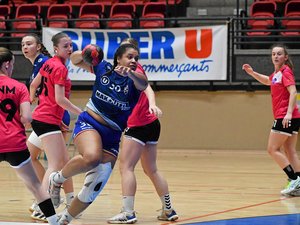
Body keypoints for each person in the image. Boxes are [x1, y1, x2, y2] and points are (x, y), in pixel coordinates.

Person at [48, 43, 148, 225]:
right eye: (130, 57)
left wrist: (130, 73)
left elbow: (144, 83)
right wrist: (85, 53)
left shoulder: (135, 80)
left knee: (94, 187)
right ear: (118, 58)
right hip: (90, 122)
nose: (134, 60)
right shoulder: (104, 68)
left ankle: (64, 220)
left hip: (113, 134)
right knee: (92, 157)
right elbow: (74, 60)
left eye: (136, 58)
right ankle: (57, 179)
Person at [108, 38, 178, 224]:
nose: (132, 58)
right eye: (127, 54)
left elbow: (146, 87)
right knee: (151, 169)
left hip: (139, 124)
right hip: (151, 124)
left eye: (134, 55)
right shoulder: (119, 72)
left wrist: (153, 104)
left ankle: (128, 212)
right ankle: (168, 210)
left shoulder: (135, 70)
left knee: (126, 167)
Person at [0, 47, 59, 225]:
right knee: (35, 186)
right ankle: (54, 221)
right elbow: (27, 117)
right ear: (7, 64)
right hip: (14, 144)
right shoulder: (19, 87)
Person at [21, 33, 76, 222]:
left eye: (71, 46)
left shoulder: (46, 62)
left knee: (61, 162)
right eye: (66, 46)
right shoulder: (58, 66)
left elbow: (34, 85)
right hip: (47, 118)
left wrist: (32, 103)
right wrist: (82, 113)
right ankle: (43, 205)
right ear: (55, 48)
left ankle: (68, 201)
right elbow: (59, 99)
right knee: (56, 163)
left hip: (48, 117)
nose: (70, 49)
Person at [243, 44, 300, 196]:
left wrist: (287, 113)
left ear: (285, 57)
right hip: (294, 116)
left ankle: (293, 178)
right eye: (274, 54)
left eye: (279, 54)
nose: (276, 56)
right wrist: (252, 72)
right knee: (290, 150)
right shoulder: (277, 73)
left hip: (285, 116)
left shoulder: (285, 71)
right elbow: (268, 81)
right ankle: (299, 181)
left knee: (272, 149)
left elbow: (293, 92)